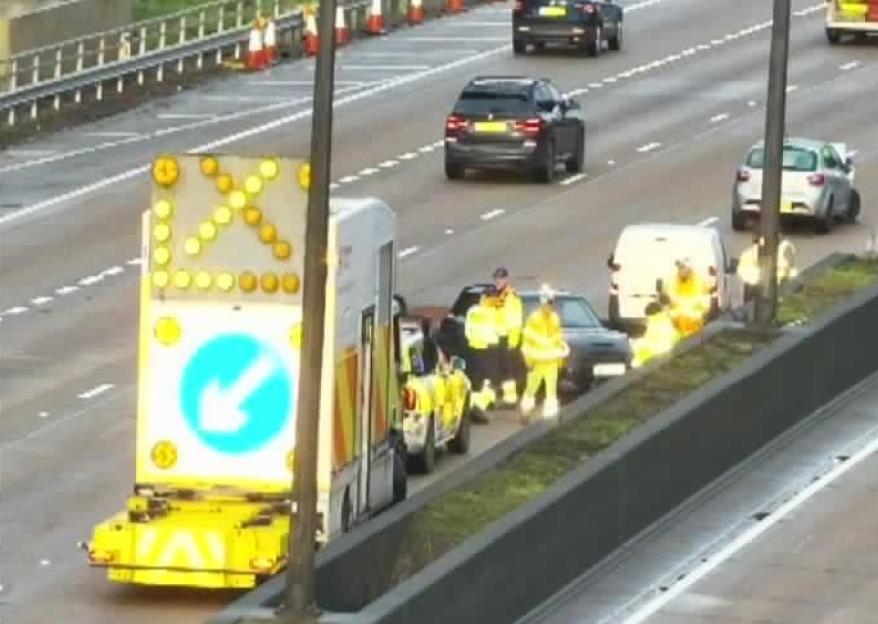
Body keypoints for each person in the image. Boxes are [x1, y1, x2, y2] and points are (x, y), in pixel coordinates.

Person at [520, 284, 569, 422]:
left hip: (552, 360)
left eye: (552, 303)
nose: (551, 306)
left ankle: (550, 415)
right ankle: (526, 411)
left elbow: (558, 336)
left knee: (551, 390)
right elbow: (527, 338)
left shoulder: (555, 318)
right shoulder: (534, 318)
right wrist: (528, 360)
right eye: (549, 303)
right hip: (538, 360)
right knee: (532, 387)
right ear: (543, 303)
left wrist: (560, 358)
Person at [490, 267, 524, 408]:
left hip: (508, 338)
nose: (498, 281)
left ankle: (510, 400)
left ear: (506, 279)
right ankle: (494, 398)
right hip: (495, 338)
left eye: (501, 278)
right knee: (496, 369)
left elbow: (516, 321)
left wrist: (513, 341)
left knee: (507, 370)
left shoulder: (511, 296)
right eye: (496, 279)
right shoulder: (495, 295)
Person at [464, 288, 500, 422]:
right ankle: (476, 409)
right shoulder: (488, 311)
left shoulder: (474, 310)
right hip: (484, 347)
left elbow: (468, 330)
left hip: (479, 347)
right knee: (482, 380)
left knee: (482, 380)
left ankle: (479, 406)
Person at [663, 257, 710, 338]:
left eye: (683, 267)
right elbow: (667, 302)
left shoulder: (700, 281)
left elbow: (705, 304)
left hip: (695, 329)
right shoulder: (671, 281)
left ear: (691, 269)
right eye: (680, 267)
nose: (681, 270)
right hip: (676, 328)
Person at [631, 301, 679, 368]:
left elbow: (654, 339)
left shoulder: (659, 322)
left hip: (659, 351)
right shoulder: (661, 321)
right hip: (660, 351)